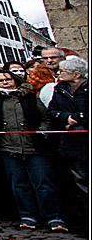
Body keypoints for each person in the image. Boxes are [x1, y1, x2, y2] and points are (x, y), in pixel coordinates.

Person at [0, 69, 67, 231]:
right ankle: (28, 215)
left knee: (43, 182)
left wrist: (42, 132)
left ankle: (53, 217)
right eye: (2, 80)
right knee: (19, 184)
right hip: (9, 147)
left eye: (8, 79)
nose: (6, 83)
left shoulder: (29, 97)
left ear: (15, 80)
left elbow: (45, 117)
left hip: (35, 146)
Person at [47, 56, 88, 198]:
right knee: (81, 180)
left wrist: (77, 118)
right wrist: (65, 117)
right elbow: (51, 110)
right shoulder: (60, 90)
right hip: (72, 142)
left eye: (62, 71)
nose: (59, 73)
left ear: (76, 74)